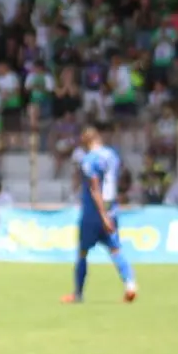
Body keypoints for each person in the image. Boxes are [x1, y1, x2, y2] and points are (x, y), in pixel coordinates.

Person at [61, 126, 137, 304]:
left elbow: (95, 188)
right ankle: (131, 285)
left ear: (87, 142)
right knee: (116, 249)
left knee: (82, 252)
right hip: (112, 208)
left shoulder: (89, 159)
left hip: (94, 213)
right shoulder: (112, 155)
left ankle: (78, 294)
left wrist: (102, 215)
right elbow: (121, 178)